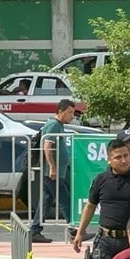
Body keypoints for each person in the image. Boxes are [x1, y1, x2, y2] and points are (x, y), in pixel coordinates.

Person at [30, 99, 82, 243]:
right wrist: (53, 167)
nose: (72, 116)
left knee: (46, 201)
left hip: (55, 171)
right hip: (52, 172)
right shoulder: (53, 125)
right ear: (61, 111)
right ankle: (74, 230)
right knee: (65, 200)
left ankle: (35, 230)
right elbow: (47, 147)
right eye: (70, 112)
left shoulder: (58, 125)